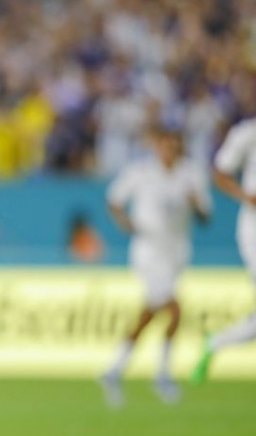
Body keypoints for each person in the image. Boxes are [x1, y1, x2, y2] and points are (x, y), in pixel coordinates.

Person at [99, 127, 211, 406]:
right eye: (163, 145)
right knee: (174, 309)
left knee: (149, 313)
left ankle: (113, 369)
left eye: (173, 145)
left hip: (176, 253)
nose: (168, 150)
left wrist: (196, 204)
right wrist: (126, 224)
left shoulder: (191, 174)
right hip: (148, 252)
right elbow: (113, 199)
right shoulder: (141, 172)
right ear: (157, 146)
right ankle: (162, 373)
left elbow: (205, 216)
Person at [191, 118, 256, 384]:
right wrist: (246, 196)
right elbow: (219, 172)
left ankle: (216, 341)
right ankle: (216, 342)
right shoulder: (247, 133)